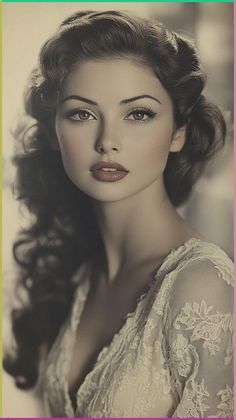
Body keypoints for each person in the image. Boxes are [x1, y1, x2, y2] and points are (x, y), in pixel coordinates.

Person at [4, 10, 233, 418]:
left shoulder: (203, 288)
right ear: (55, 131)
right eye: (82, 113)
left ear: (178, 131)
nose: (108, 141)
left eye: (138, 114)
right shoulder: (78, 272)